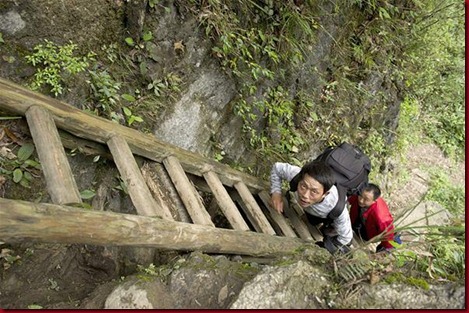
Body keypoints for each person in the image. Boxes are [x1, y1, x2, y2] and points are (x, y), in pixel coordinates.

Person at [270, 160, 353, 254]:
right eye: (303, 186)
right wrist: (276, 192)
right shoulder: (297, 175)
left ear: (325, 194)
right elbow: (277, 167)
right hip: (313, 209)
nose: (305, 195)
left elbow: (346, 237)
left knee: (321, 226)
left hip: (326, 215)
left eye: (314, 192)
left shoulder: (335, 207)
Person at [348, 183, 399, 253]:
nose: (361, 200)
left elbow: (387, 233)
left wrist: (386, 248)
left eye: (366, 199)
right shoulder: (360, 196)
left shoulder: (381, 217)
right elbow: (348, 200)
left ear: (374, 201)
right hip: (359, 220)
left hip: (371, 230)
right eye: (360, 196)